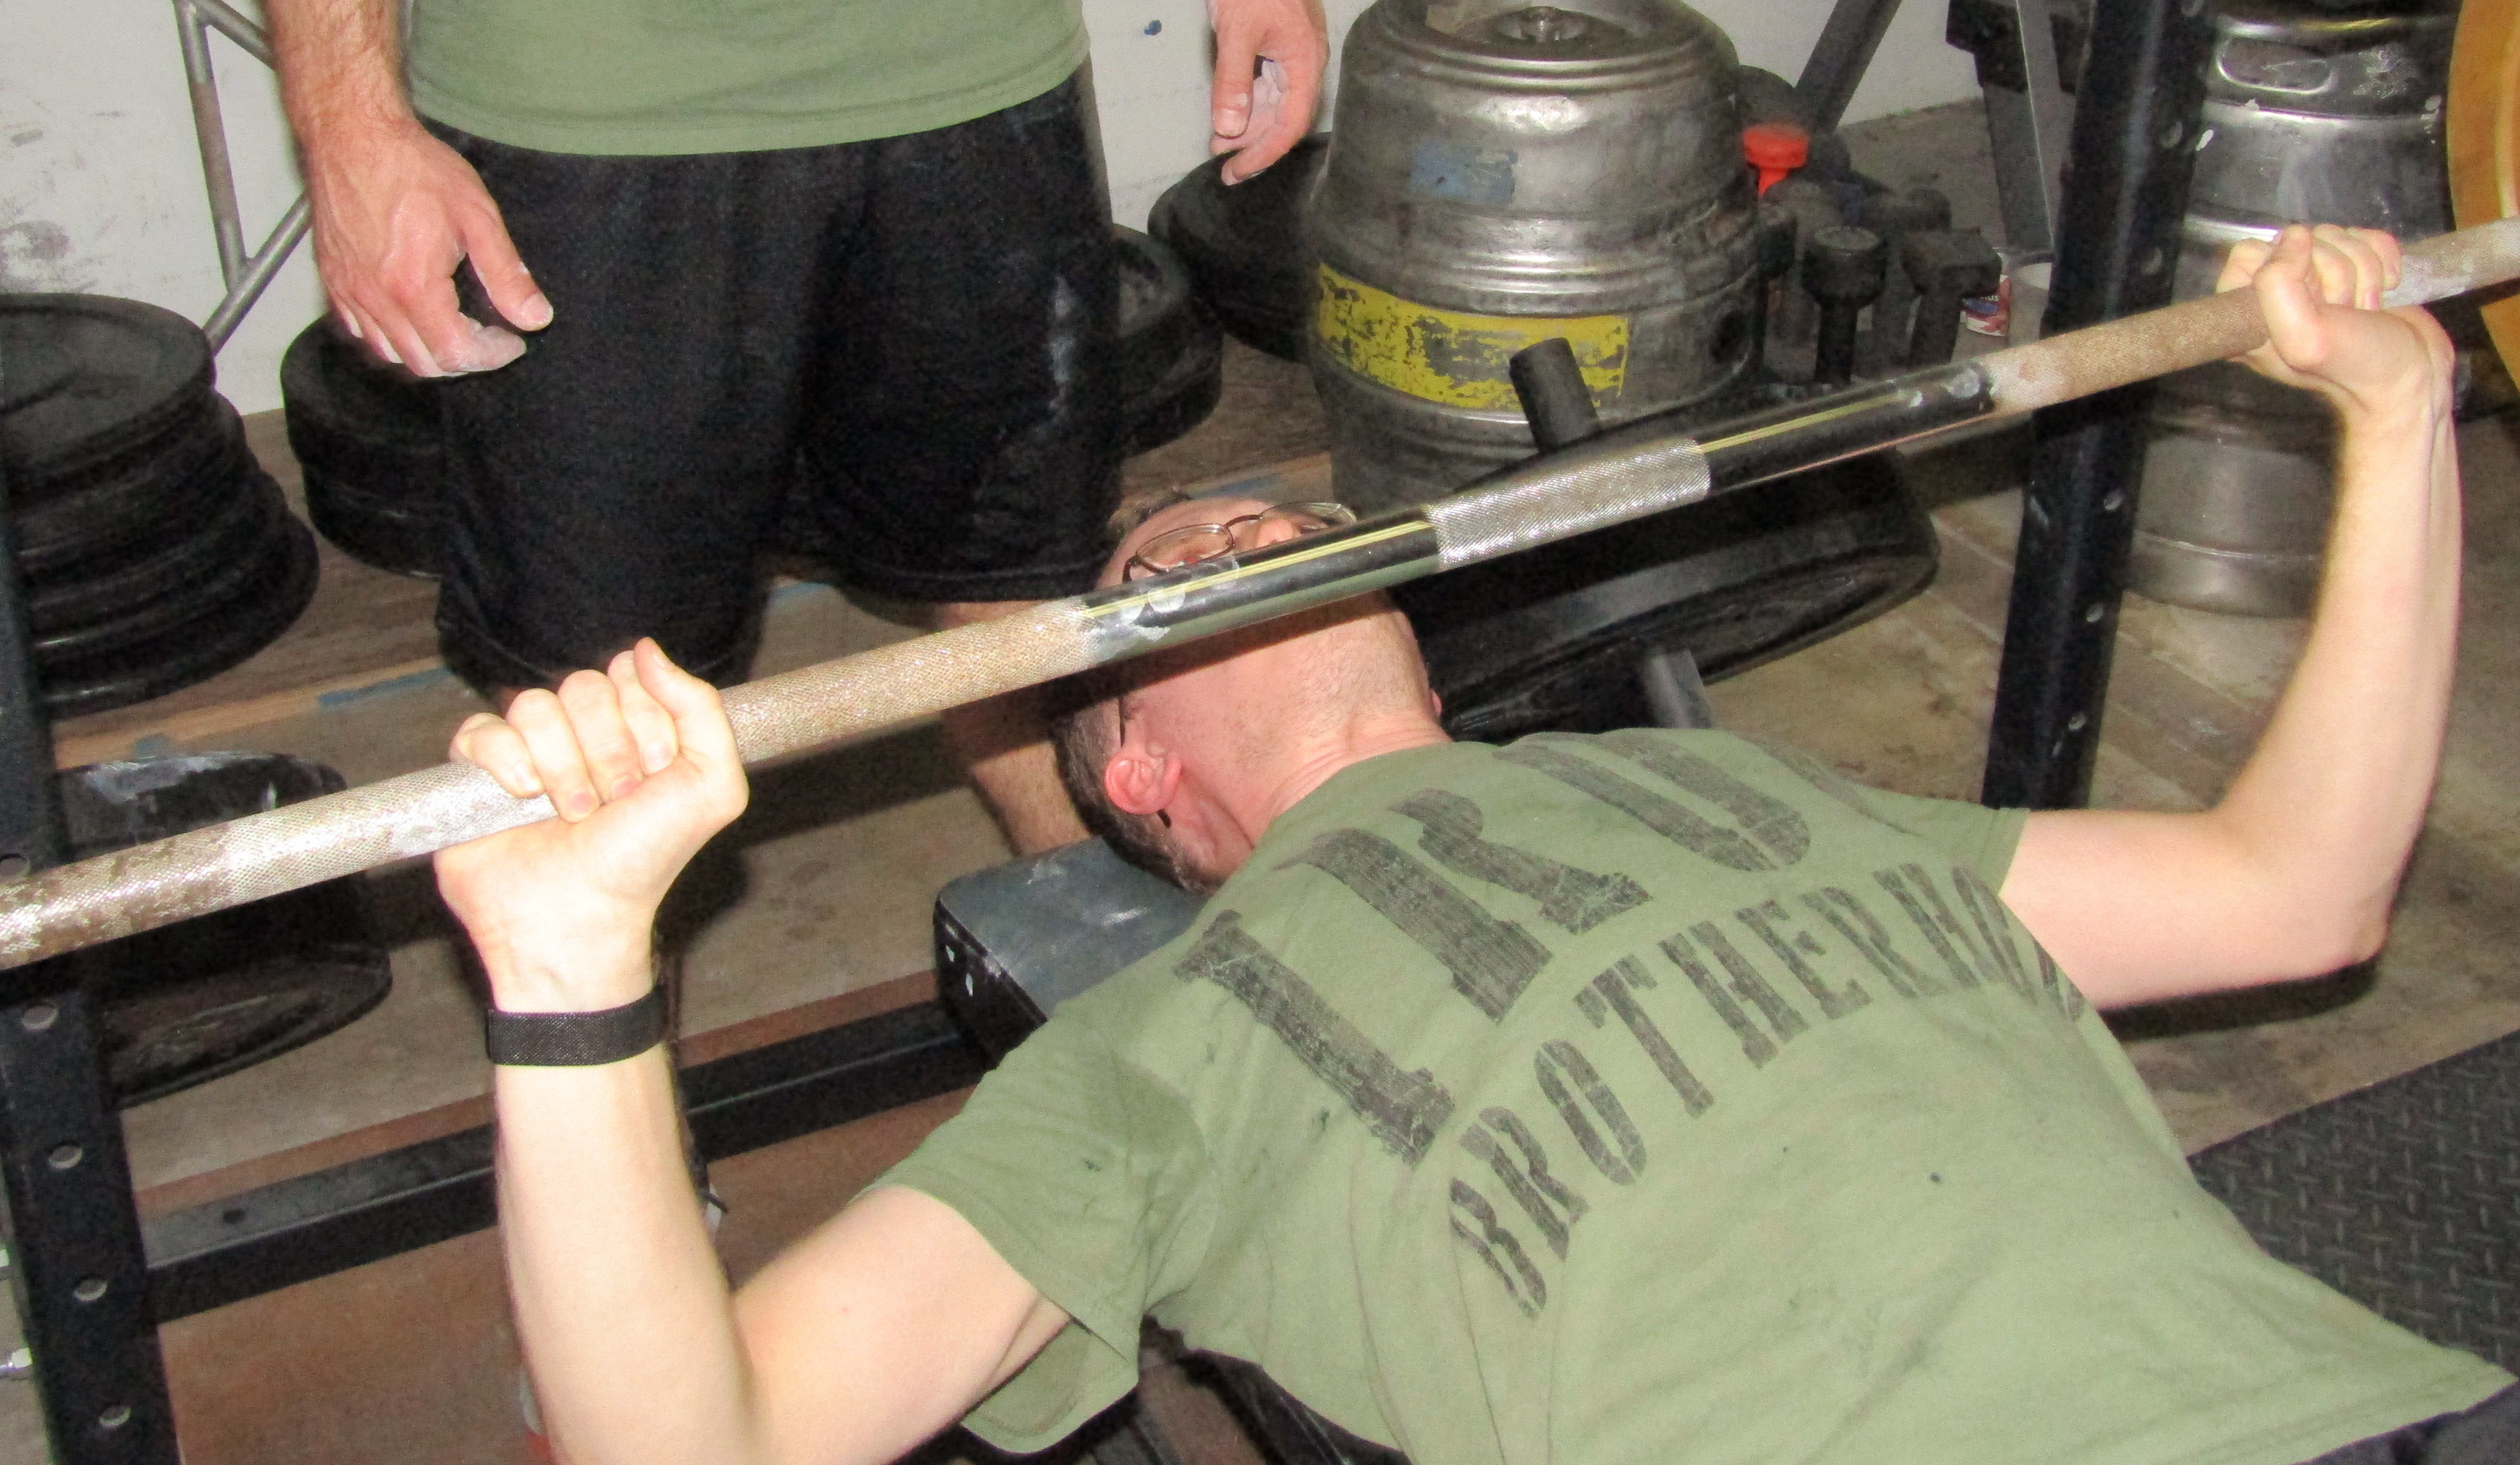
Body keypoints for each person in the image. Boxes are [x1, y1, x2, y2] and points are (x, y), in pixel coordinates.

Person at [430, 224, 2514, 1465]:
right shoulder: (1158, 1055)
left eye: (1282, 520)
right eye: (1183, 561)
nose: (1262, 529)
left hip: (2373, 1409)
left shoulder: (1733, 788)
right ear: (1132, 773)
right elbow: (701, 1439)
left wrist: (2397, 419)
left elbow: (2298, 892)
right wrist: (571, 973)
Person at [201, 0, 1327, 852]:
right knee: (602, 711)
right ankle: (596, 987)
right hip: (587, 96)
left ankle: (1084, 945)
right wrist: (348, 122)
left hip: (977, 61)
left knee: (1017, 605)